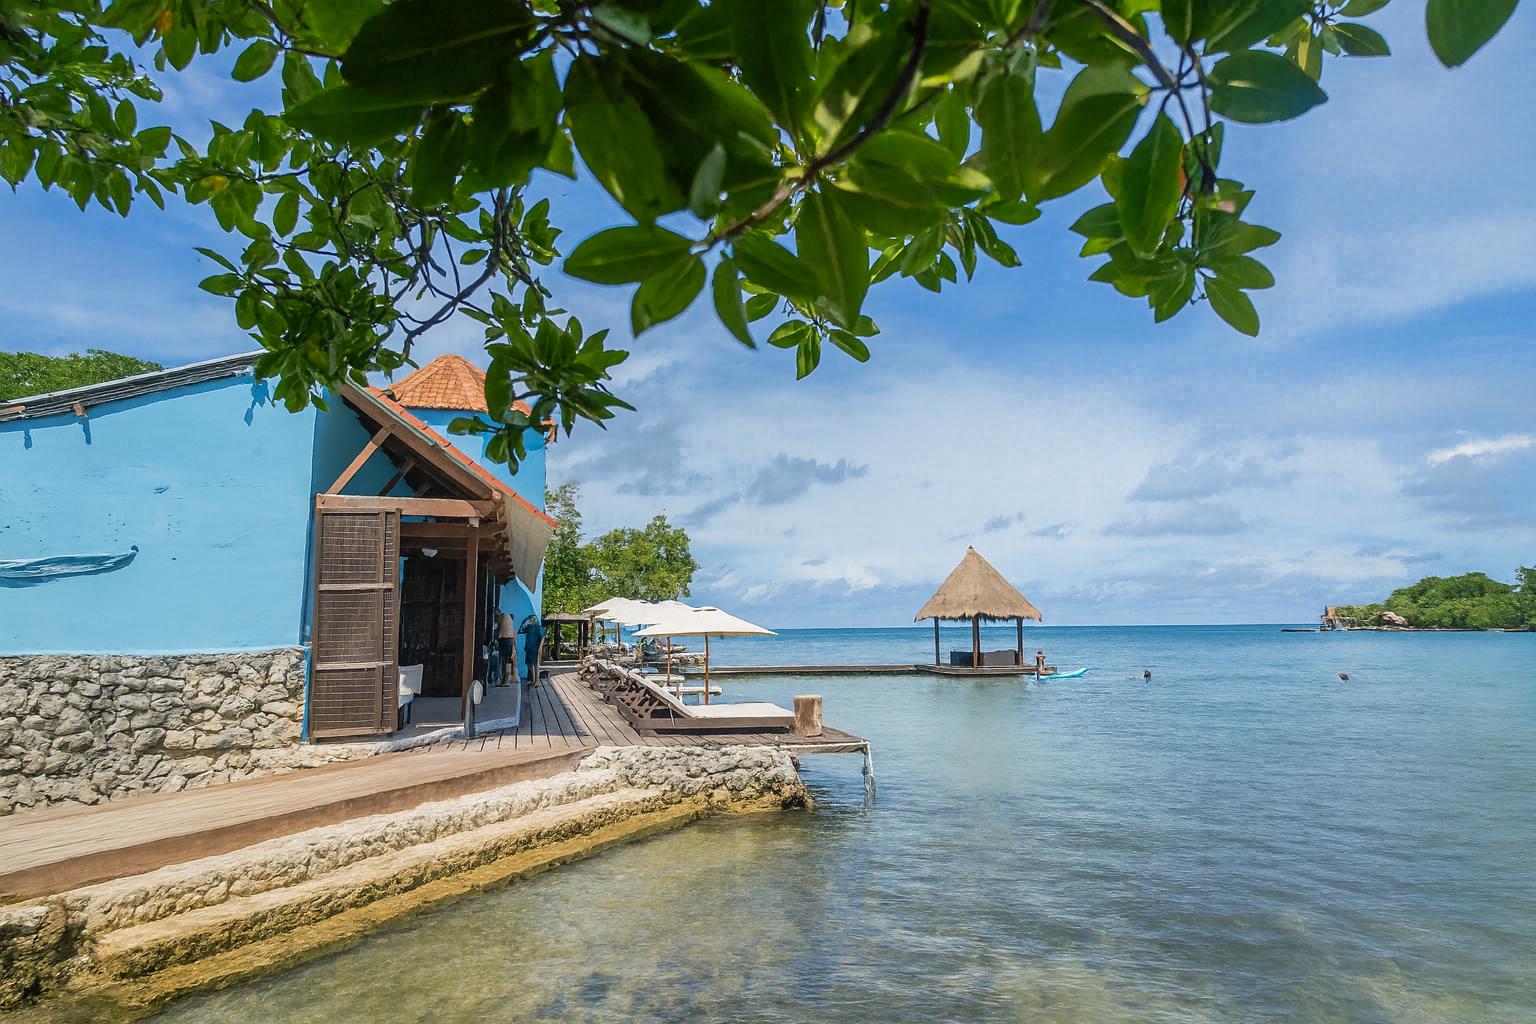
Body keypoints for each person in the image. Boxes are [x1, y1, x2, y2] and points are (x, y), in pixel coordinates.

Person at [496, 608, 519, 687]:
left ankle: (506, 680)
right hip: (509, 640)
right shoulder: (509, 620)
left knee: (505, 660)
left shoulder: (501, 617)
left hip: (505, 639)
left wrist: (497, 638)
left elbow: (499, 633)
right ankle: (507, 679)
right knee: (508, 660)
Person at [520, 614, 544, 687]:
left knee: (536, 664)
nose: (532, 620)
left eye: (534, 618)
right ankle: (533, 680)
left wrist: (540, 647)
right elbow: (521, 630)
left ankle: (536, 681)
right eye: (531, 618)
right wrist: (524, 620)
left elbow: (542, 637)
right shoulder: (529, 627)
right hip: (529, 648)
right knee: (529, 664)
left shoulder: (538, 627)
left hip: (535, 648)